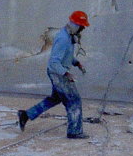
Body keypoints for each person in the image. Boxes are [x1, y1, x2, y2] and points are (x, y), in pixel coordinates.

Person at [18, 10, 90, 139]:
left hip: (59, 72)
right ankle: (74, 131)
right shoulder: (63, 38)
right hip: (58, 74)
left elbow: (65, 56)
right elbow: (54, 62)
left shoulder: (68, 37)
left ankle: (26, 115)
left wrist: (76, 63)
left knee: (55, 98)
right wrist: (66, 73)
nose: (82, 30)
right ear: (75, 25)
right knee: (74, 101)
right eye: (81, 27)